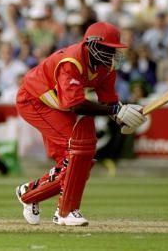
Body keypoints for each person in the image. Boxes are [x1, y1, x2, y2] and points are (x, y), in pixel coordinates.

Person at [14, 22, 148, 226]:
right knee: (78, 151)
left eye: (114, 49)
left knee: (77, 164)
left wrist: (123, 114)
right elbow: (76, 105)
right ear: (92, 45)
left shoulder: (106, 67)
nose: (112, 54)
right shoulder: (71, 62)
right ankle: (65, 211)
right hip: (34, 100)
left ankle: (29, 193)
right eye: (108, 49)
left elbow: (109, 101)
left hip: (58, 103)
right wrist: (115, 111)